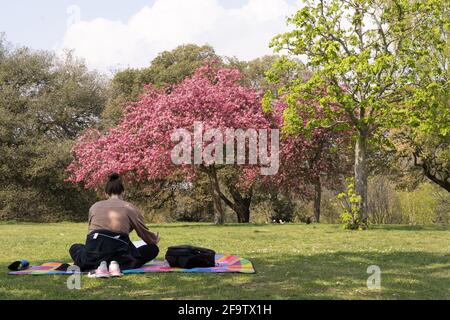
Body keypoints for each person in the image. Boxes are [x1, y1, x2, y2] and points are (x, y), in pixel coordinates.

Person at [69, 173, 160, 276]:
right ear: (123, 191)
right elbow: (144, 234)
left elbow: (91, 231)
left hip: (93, 255)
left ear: (106, 192)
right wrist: (154, 239)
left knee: (75, 247)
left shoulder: (94, 207)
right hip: (121, 256)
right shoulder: (129, 207)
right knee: (152, 249)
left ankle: (101, 264)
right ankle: (113, 264)